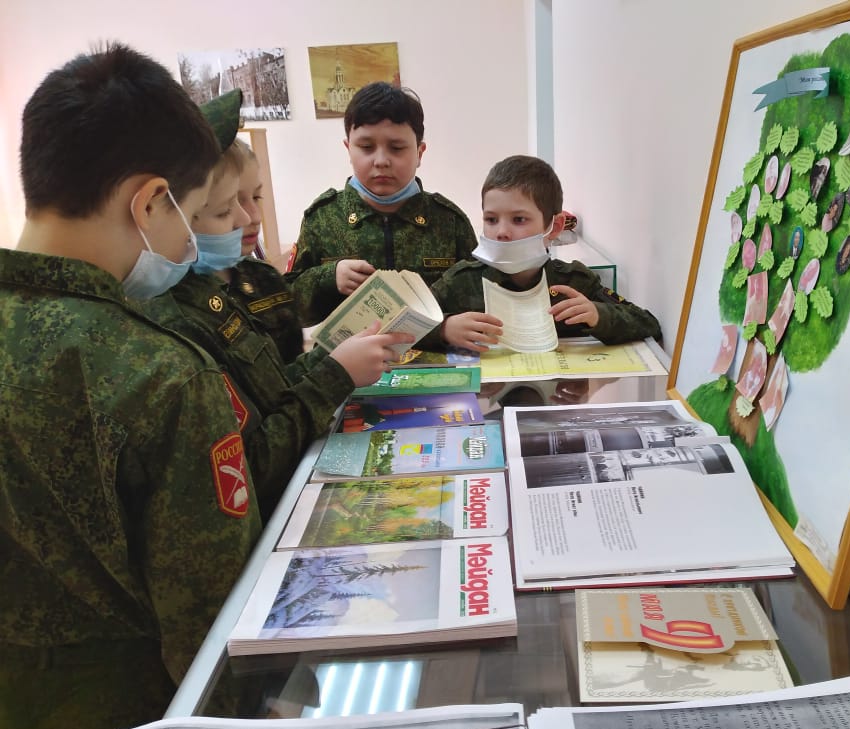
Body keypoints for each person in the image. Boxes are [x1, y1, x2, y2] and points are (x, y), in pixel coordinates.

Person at [0, 44, 263, 729]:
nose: (192, 237)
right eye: (192, 211)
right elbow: (205, 621)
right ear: (149, 202)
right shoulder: (159, 372)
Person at [141, 89, 410, 521]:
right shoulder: (170, 317)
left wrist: (334, 361)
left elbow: (280, 379)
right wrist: (335, 371)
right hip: (274, 501)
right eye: (225, 208)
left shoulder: (257, 277)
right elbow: (248, 461)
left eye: (256, 198)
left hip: (307, 463)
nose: (249, 217)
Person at [422, 155, 662, 353]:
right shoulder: (460, 281)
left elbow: (647, 323)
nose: (502, 232)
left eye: (519, 219)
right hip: (488, 393)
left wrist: (598, 315)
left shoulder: (574, 282)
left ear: (554, 227)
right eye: (491, 219)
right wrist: (443, 329)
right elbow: (405, 325)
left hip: (558, 391)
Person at [285, 81, 477, 325]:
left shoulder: (449, 221)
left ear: (419, 153)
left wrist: (445, 325)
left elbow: (478, 296)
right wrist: (328, 278)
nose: (381, 161)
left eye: (396, 148)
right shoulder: (323, 219)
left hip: (436, 349)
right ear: (348, 149)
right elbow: (287, 308)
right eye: (366, 147)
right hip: (348, 350)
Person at [227, 138, 306, 364]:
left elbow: (295, 366)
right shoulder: (173, 299)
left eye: (256, 197)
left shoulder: (266, 278)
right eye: (230, 203)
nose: (254, 216)